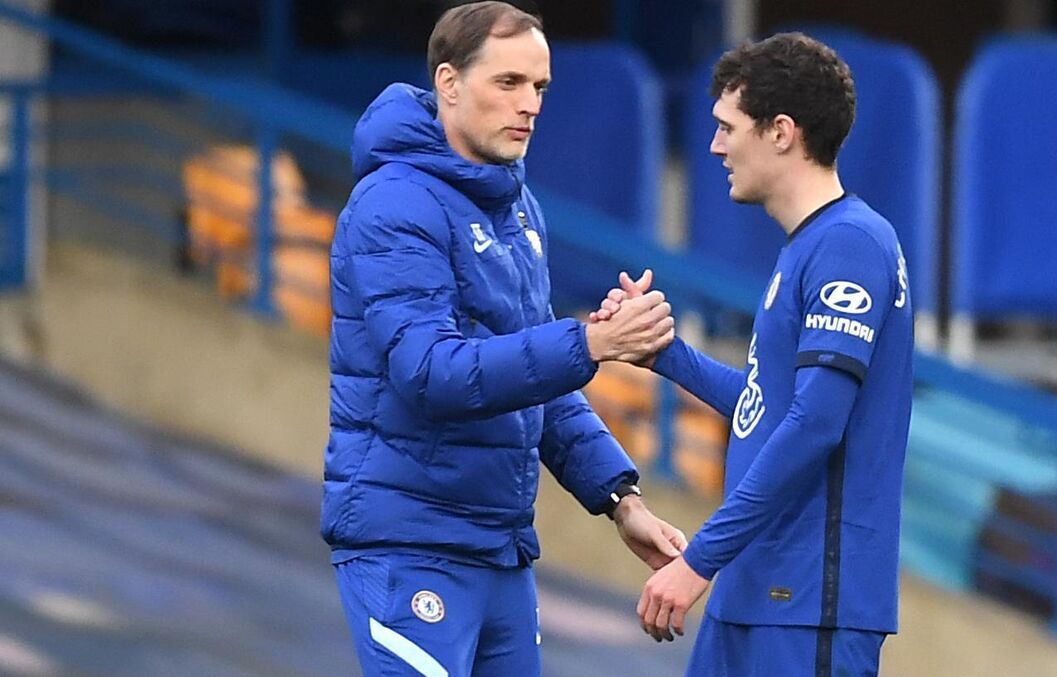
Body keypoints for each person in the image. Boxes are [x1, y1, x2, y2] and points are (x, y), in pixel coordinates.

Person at [320, 3, 687, 675]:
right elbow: (432, 374)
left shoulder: (518, 206)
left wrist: (619, 499)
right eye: (509, 82)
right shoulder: (394, 203)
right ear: (449, 83)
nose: (530, 104)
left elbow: (537, 377)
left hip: (501, 549)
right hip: (411, 545)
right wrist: (591, 343)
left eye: (539, 86)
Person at [593, 33, 914, 677]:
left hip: (806, 601)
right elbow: (770, 405)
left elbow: (816, 424)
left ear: (781, 133)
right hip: (759, 590)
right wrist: (663, 353)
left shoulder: (850, 244)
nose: (715, 146)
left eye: (727, 127)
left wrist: (699, 559)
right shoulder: (811, 244)